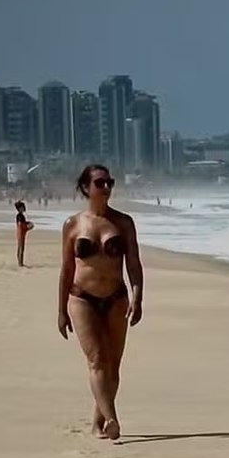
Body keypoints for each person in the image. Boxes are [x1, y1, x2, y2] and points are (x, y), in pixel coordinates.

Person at [58, 164, 143, 441]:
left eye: (109, 182)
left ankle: (98, 422)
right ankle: (112, 418)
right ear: (86, 188)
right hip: (82, 299)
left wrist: (138, 295)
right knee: (96, 360)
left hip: (116, 298)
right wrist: (61, 310)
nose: (106, 188)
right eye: (100, 183)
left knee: (113, 367)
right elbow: (67, 269)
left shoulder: (123, 222)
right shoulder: (73, 225)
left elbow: (133, 263)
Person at [14, 200, 33, 266]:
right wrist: (28, 227)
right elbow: (20, 225)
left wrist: (27, 224)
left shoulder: (20, 216)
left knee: (20, 247)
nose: (23, 208)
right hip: (21, 232)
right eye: (21, 207)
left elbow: (22, 224)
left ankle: (20, 261)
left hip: (21, 232)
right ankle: (20, 262)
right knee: (21, 247)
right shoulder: (19, 216)